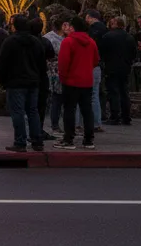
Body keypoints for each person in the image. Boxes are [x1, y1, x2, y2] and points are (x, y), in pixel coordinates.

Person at [0, 15, 44, 153]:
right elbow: (41, 63)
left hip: (15, 82)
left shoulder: (10, 42)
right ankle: (37, 141)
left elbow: (2, 63)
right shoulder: (36, 42)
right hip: (32, 81)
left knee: (18, 112)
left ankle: (20, 141)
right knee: (33, 111)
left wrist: (3, 81)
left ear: (15, 26)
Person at [55, 17, 100, 150]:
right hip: (86, 81)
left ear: (73, 27)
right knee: (87, 110)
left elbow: (63, 63)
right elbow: (96, 60)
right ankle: (88, 139)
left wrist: (63, 77)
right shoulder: (91, 42)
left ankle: (69, 139)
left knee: (69, 110)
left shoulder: (68, 42)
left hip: (70, 80)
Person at [98, 16, 137, 126]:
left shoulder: (107, 37)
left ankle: (115, 116)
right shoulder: (129, 37)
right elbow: (134, 53)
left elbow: (102, 52)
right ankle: (126, 116)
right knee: (124, 91)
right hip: (125, 68)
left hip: (111, 67)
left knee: (113, 92)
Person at [44, 17, 68, 135]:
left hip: (62, 72)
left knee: (59, 99)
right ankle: (54, 124)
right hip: (54, 72)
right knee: (56, 99)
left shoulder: (66, 37)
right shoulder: (50, 38)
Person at [84, 9, 107, 129]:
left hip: (91, 64)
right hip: (99, 63)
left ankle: (85, 123)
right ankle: (97, 122)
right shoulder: (104, 29)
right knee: (96, 94)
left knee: (89, 95)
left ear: (90, 17)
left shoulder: (93, 31)